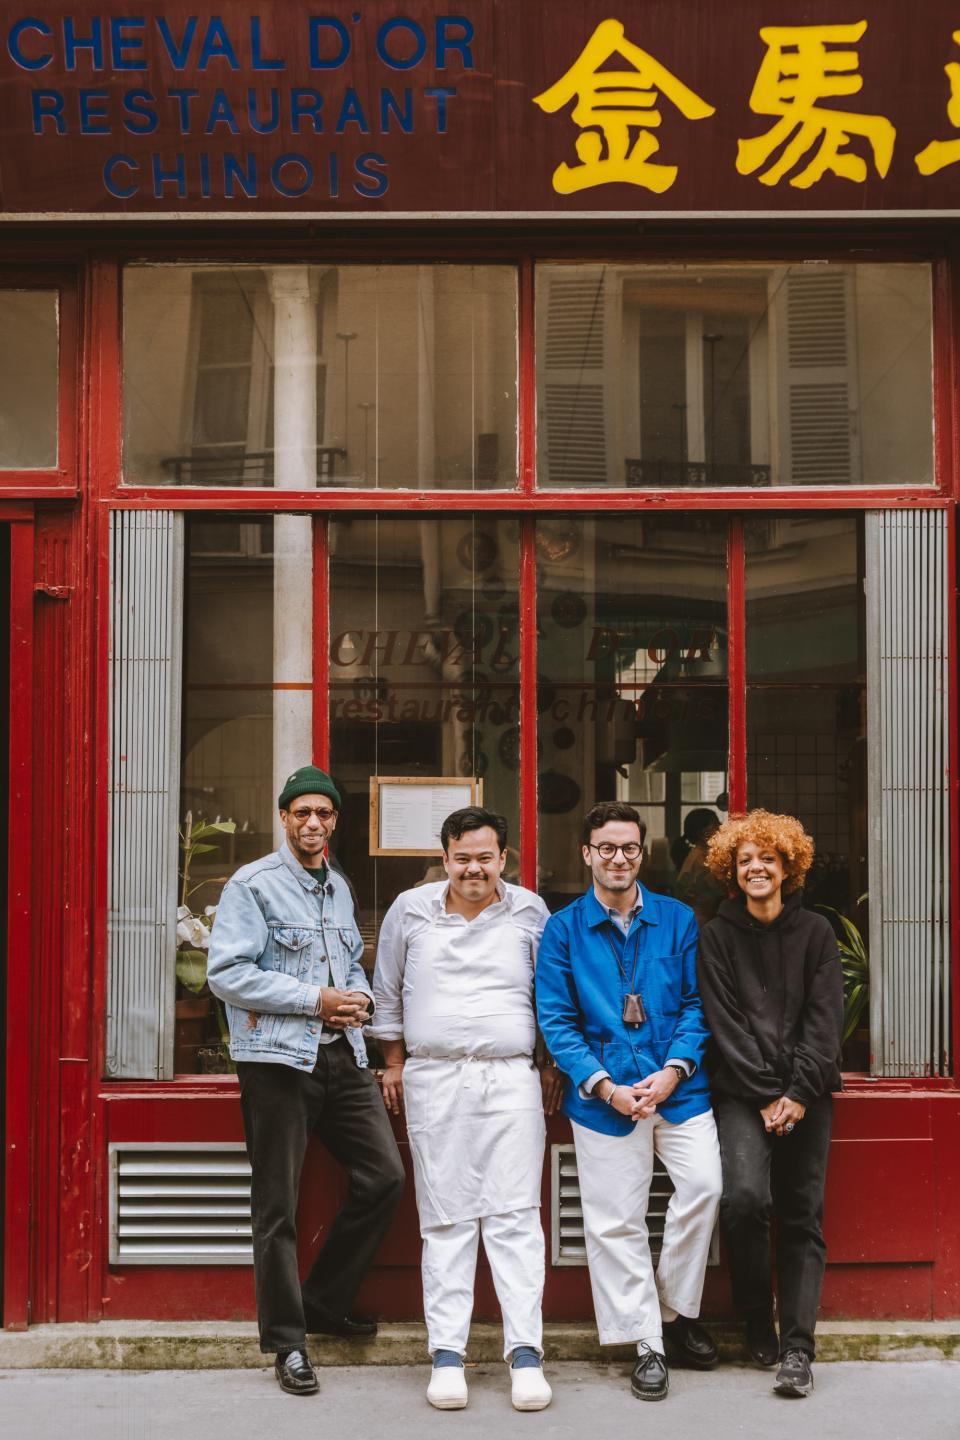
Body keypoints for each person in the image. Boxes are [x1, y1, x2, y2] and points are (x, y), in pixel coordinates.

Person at [207, 765, 405, 1397]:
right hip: (276, 1062)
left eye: (324, 813)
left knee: (384, 1178)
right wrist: (314, 1000)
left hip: (341, 1057)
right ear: (286, 819)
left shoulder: (338, 887)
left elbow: (350, 963)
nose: (313, 823)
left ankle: (322, 1300)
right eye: (302, 813)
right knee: (277, 1207)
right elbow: (226, 973)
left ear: (334, 821)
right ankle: (287, 1344)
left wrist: (362, 1003)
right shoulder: (253, 885)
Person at [371, 806, 561, 1412]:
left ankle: (524, 1355)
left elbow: (552, 993)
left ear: (503, 857)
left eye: (485, 857)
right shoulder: (412, 909)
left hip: (510, 1076)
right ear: (445, 856)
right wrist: (395, 1063)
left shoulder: (531, 910)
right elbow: (387, 990)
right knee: (446, 1218)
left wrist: (550, 1063)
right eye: (462, 857)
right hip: (434, 1075)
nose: (473, 868)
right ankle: (447, 1355)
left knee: (514, 1216)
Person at [535, 800, 722, 1403]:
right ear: (587, 854)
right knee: (615, 1222)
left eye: (630, 849)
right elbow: (557, 1023)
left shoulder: (678, 919)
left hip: (678, 1088)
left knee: (705, 1188)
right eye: (607, 848)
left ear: (644, 853)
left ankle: (670, 1309)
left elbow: (697, 1004)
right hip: (603, 1099)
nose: (619, 858)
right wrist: (606, 1087)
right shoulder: (562, 929)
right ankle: (647, 1343)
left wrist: (671, 1072)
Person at [696, 809, 843, 1400]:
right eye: (745, 860)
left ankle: (798, 1349)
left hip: (806, 1095)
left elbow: (824, 1020)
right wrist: (765, 1095)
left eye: (767, 858)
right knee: (744, 1201)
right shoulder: (717, 935)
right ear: (732, 871)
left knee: (803, 1217)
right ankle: (757, 1315)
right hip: (742, 1095)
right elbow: (724, 1022)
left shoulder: (818, 933)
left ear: (788, 866)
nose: (756, 868)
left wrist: (799, 1093)